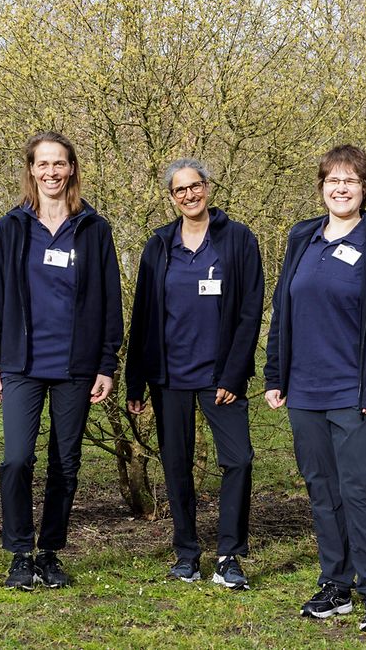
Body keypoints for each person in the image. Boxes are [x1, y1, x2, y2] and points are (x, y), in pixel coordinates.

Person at [264, 145, 366, 634]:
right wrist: (276, 374)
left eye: (350, 180)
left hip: (358, 394)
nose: (341, 188)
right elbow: (283, 308)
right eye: (333, 180)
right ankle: (336, 585)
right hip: (305, 392)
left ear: (364, 187)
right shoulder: (302, 237)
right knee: (323, 491)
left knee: (363, 491)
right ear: (322, 187)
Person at [0, 131, 123, 590]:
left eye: (59, 164)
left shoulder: (95, 229)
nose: (51, 172)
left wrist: (107, 363)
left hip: (76, 366)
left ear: (72, 169)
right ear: (31, 171)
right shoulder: (12, 227)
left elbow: (109, 301)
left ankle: (50, 553)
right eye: (43, 164)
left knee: (66, 462)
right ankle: (20, 551)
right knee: (17, 459)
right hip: (20, 362)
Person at [124, 159, 263, 589]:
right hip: (169, 378)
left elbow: (249, 312)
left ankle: (229, 555)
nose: (189, 195)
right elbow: (144, 316)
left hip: (220, 378)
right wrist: (135, 381)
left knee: (238, 459)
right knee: (177, 467)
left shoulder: (237, 240)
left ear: (208, 188)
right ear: (171, 197)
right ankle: (186, 553)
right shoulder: (158, 246)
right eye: (180, 190)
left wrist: (234, 375)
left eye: (195, 186)